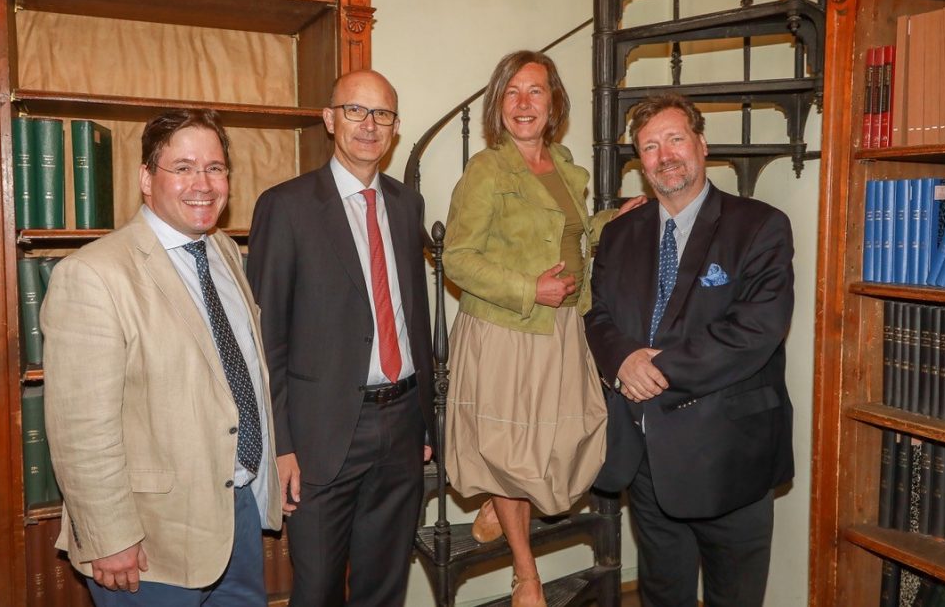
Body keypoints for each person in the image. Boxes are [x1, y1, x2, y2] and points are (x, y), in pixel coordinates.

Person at [42, 109, 282, 606]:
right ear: (146, 178)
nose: (204, 183)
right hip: (148, 542)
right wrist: (109, 537)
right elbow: (80, 427)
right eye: (184, 167)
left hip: (234, 513)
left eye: (215, 168)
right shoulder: (93, 273)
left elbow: (239, 376)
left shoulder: (223, 251)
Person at [442, 50, 644, 607]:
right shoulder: (487, 170)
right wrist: (530, 288)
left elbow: (570, 239)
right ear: (497, 105)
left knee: (566, 441)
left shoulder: (562, 162)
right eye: (512, 92)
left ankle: (493, 507)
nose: (524, 103)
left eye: (536, 91)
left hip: (563, 326)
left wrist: (610, 221)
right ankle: (525, 573)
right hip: (506, 329)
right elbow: (457, 257)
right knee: (511, 451)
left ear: (553, 103)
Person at [584, 93, 796, 607]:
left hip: (730, 456)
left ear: (701, 145)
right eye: (650, 147)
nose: (665, 155)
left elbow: (756, 329)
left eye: (675, 139)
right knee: (662, 594)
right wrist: (622, 360)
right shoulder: (619, 234)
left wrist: (652, 369)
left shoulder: (760, 225)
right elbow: (597, 316)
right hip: (647, 459)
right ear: (641, 163)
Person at [246, 69, 433, 607]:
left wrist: (424, 418)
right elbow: (266, 339)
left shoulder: (405, 205)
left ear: (395, 129)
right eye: (355, 110)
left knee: (384, 587)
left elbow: (414, 318)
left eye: (383, 115)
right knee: (319, 590)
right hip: (322, 436)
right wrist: (281, 445)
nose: (369, 125)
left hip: (401, 426)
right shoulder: (286, 206)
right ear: (329, 119)